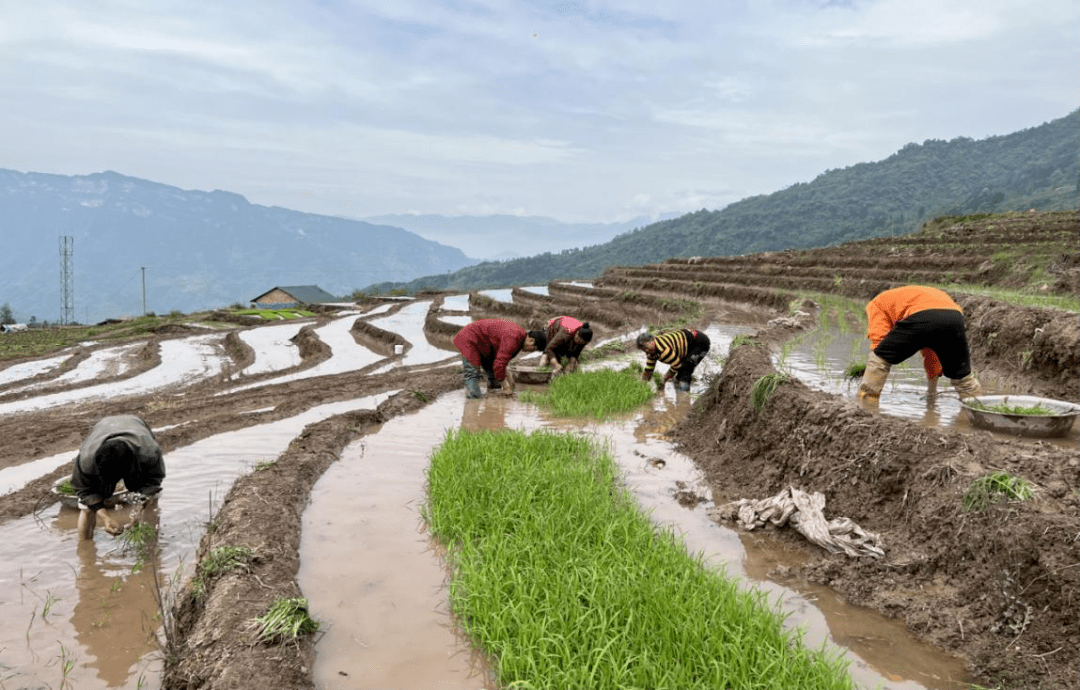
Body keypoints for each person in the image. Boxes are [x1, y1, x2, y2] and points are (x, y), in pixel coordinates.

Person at [857, 285, 982, 405]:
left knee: (879, 360)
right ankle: (980, 412)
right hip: (954, 317)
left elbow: (879, 340)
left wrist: (874, 363)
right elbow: (931, 353)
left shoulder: (876, 303)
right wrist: (931, 394)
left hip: (921, 314)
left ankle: (866, 406)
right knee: (963, 378)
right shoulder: (909, 297)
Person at [71, 415, 166, 540]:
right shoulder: (86, 460)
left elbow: (153, 483)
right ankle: (85, 548)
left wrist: (138, 510)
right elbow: (84, 491)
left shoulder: (149, 453)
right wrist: (106, 518)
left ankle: (151, 546)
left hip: (135, 424)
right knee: (87, 508)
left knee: (151, 502)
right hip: (104, 426)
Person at [452, 319, 547, 399]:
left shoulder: (519, 340)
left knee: (495, 377)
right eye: (534, 349)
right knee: (472, 373)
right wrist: (506, 387)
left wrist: (511, 381)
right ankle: (473, 402)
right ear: (531, 341)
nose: (530, 352)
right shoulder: (514, 338)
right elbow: (499, 365)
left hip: (485, 346)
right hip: (470, 339)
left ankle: (493, 395)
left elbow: (503, 362)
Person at [635, 328, 711, 392]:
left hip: (700, 343)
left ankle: (683, 396)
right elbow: (649, 369)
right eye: (642, 349)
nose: (645, 350)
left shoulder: (664, 350)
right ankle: (681, 386)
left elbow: (677, 365)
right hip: (687, 341)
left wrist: (664, 379)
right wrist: (642, 385)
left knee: (686, 368)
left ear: (652, 340)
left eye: (645, 346)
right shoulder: (650, 352)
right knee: (681, 371)